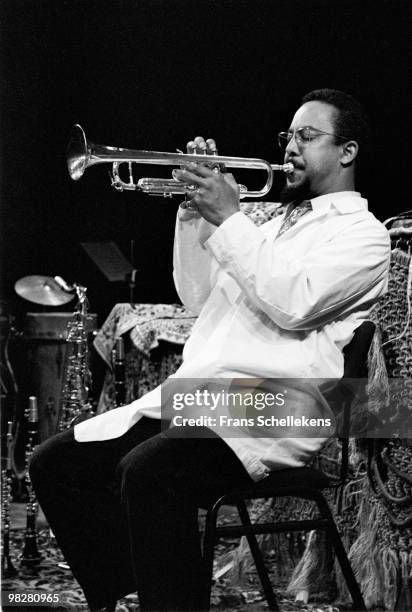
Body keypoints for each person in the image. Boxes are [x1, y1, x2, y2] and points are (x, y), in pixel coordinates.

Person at [30, 88, 390, 612]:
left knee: (149, 473)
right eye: (289, 135)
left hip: (286, 407)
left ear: (347, 152)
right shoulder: (268, 222)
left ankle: (169, 596)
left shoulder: (363, 235)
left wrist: (231, 217)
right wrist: (195, 215)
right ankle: (136, 589)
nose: (291, 147)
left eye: (308, 137)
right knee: (56, 463)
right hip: (209, 399)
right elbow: (196, 296)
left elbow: (295, 303)